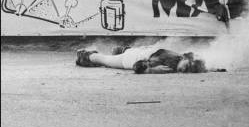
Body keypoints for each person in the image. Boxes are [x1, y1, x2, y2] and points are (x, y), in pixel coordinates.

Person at [75, 46, 208, 74]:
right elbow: (136, 66)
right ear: (185, 58)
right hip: (128, 59)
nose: (186, 70)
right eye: (188, 66)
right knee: (104, 60)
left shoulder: (178, 58)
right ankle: (85, 55)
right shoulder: (167, 59)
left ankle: (121, 49)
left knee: (126, 52)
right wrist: (151, 70)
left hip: (141, 51)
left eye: (190, 69)